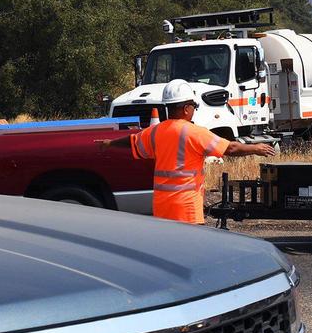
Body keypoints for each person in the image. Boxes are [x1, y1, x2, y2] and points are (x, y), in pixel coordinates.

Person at [97, 79, 276, 225]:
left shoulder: (155, 131)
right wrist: (256, 148)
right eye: (194, 105)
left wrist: (110, 143)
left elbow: (132, 142)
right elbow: (230, 148)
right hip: (186, 210)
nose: (194, 110)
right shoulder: (194, 133)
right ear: (185, 108)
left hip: (162, 210)